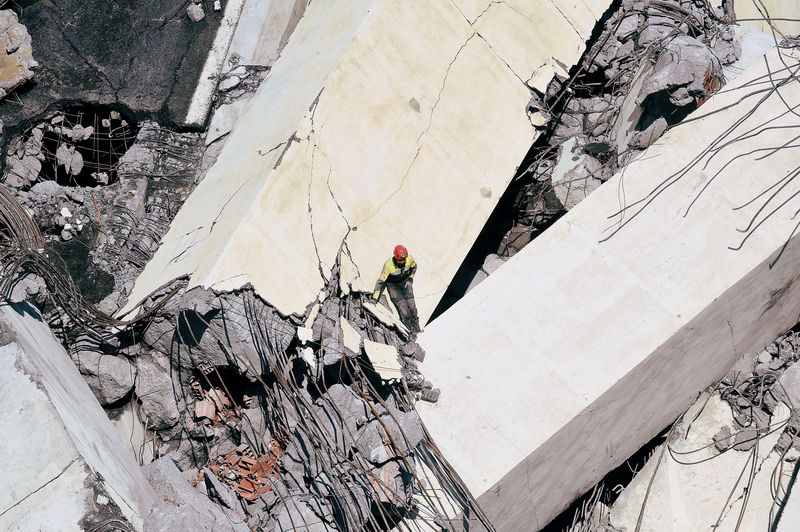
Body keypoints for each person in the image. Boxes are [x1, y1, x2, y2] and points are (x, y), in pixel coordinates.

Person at [372, 244, 420, 333]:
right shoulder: (388, 265)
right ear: (396, 257)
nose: (402, 262)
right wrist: (375, 298)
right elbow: (381, 282)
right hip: (393, 285)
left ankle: (417, 329)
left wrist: (410, 278)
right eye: (400, 260)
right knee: (404, 309)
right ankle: (410, 331)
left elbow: (414, 267)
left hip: (405, 282)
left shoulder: (409, 259)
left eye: (404, 259)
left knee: (412, 306)